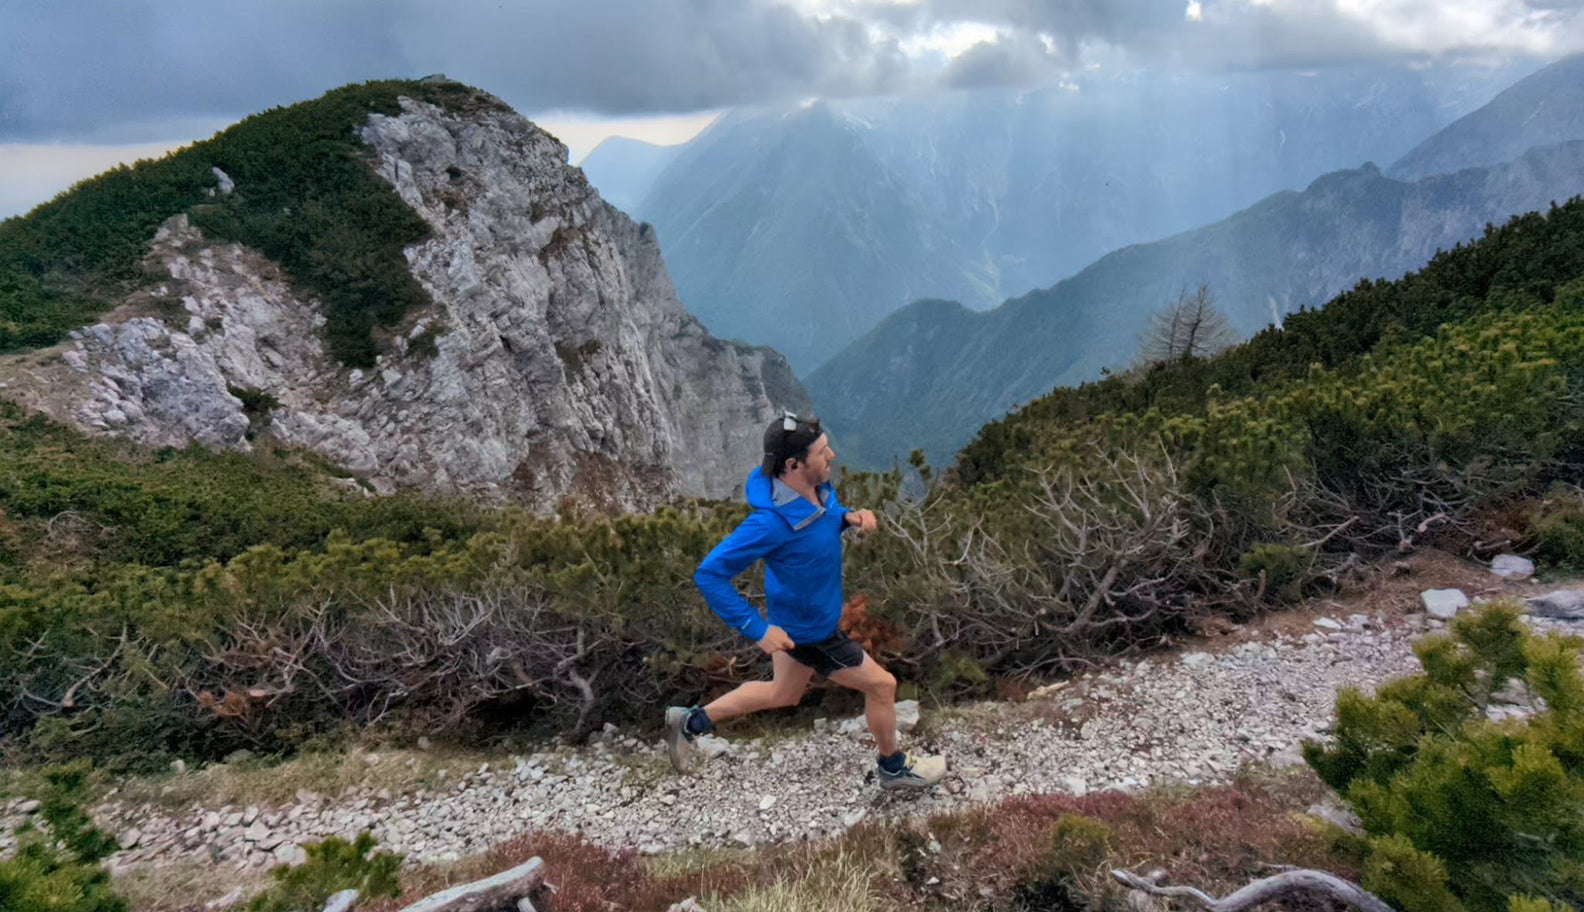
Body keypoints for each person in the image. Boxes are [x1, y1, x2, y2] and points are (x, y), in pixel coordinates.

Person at [666, 411, 947, 790]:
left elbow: (827, 515)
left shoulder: (816, 490)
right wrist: (756, 628)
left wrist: (850, 518)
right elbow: (710, 574)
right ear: (794, 464)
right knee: (882, 686)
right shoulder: (769, 524)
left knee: (783, 694)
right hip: (811, 633)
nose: (831, 455)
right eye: (822, 451)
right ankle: (893, 767)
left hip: (794, 626)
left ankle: (689, 721)